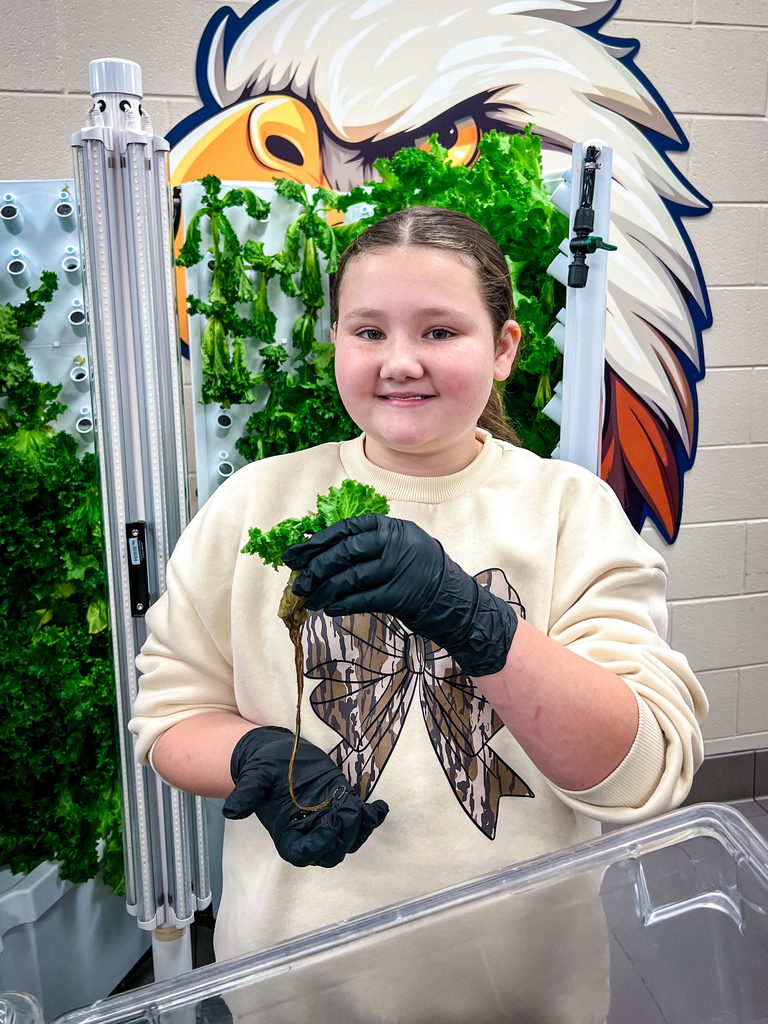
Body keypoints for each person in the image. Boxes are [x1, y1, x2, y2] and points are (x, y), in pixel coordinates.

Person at [129, 206, 707, 1013]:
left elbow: (639, 775)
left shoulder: (569, 511)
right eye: (368, 331)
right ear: (336, 340)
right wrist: (255, 753)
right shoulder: (254, 503)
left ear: (503, 348)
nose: (400, 362)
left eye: (440, 331)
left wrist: (469, 616)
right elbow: (169, 715)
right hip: (294, 985)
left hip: (520, 989)